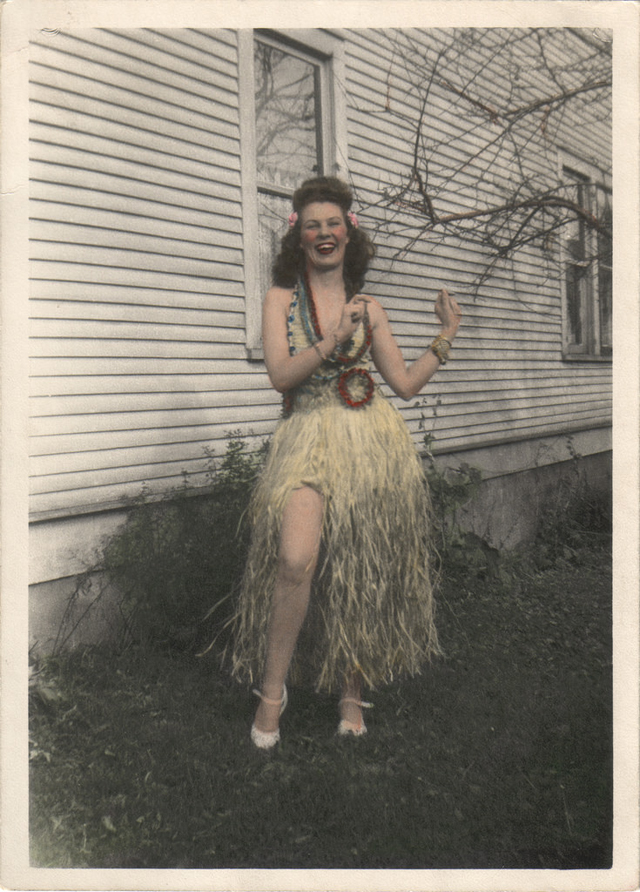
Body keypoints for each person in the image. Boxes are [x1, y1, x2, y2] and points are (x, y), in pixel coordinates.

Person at [229, 176, 461, 748]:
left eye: (333, 223)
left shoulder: (369, 307)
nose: (324, 233)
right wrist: (333, 339)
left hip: (368, 441)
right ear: (299, 237)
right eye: (313, 225)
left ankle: (351, 694)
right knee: (294, 559)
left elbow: (404, 384)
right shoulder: (280, 300)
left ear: (349, 233)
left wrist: (446, 335)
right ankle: (272, 695)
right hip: (307, 438)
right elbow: (280, 375)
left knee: (358, 566)